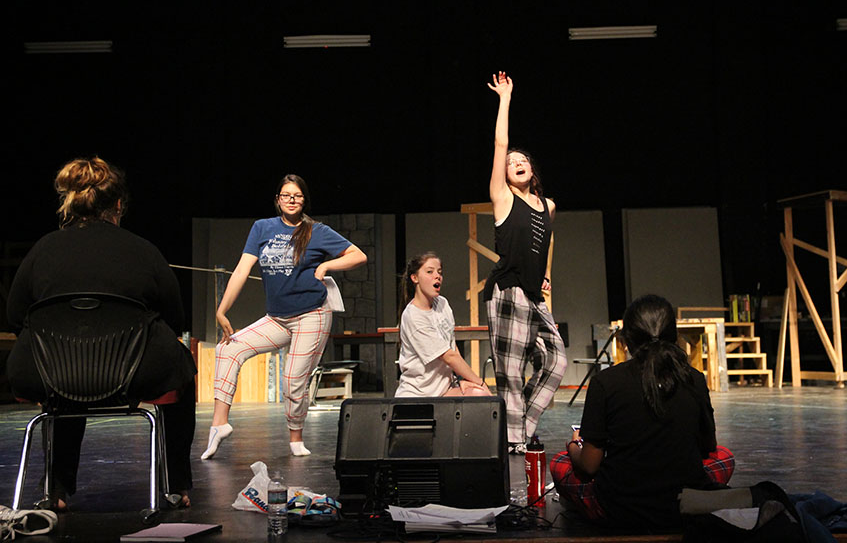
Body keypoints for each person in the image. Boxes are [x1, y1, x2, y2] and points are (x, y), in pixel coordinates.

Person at [6, 156, 197, 510]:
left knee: (64, 368)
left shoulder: (43, 249)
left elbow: (15, 315)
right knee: (182, 366)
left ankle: (57, 489)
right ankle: (175, 484)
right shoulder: (143, 250)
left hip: (52, 375)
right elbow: (176, 317)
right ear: (119, 205)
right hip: (134, 374)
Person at [201, 174, 367, 460]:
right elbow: (241, 270)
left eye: (298, 195)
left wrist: (326, 264)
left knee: (291, 380)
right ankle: (219, 425)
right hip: (277, 318)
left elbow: (358, 255)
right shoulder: (261, 228)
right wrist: (221, 310)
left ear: (304, 201)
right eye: (286, 195)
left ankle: (295, 437)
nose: (292, 199)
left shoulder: (317, 230)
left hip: (312, 315)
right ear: (277, 199)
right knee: (227, 349)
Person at [550, 294, 735, 530]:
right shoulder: (694, 379)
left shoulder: (606, 382)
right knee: (725, 457)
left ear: (627, 339)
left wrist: (573, 447)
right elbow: (709, 447)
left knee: (559, 463)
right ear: (674, 336)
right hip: (685, 504)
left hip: (620, 508)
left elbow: (589, 467)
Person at [484, 71, 567, 453]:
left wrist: (547, 275)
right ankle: (516, 438)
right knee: (511, 373)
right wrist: (505, 99)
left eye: (522, 160)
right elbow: (501, 142)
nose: (515, 162)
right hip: (507, 290)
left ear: (533, 170)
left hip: (534, 293)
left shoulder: (547, 206)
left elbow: (546, 243)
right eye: (510, 161)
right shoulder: (502, 197)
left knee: (556, 362)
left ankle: (517, 428)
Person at [395, 252, 491, 398]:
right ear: (415, 278)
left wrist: (463, 379)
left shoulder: (442, 303)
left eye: (439, 272)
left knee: (480, 395)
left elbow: (452, 347)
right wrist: (480, 382)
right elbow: (448, 356)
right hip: (419, 395)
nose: (437, 276)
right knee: (482, 391)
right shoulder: (413, 316)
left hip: (445, 390)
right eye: (429, 272)